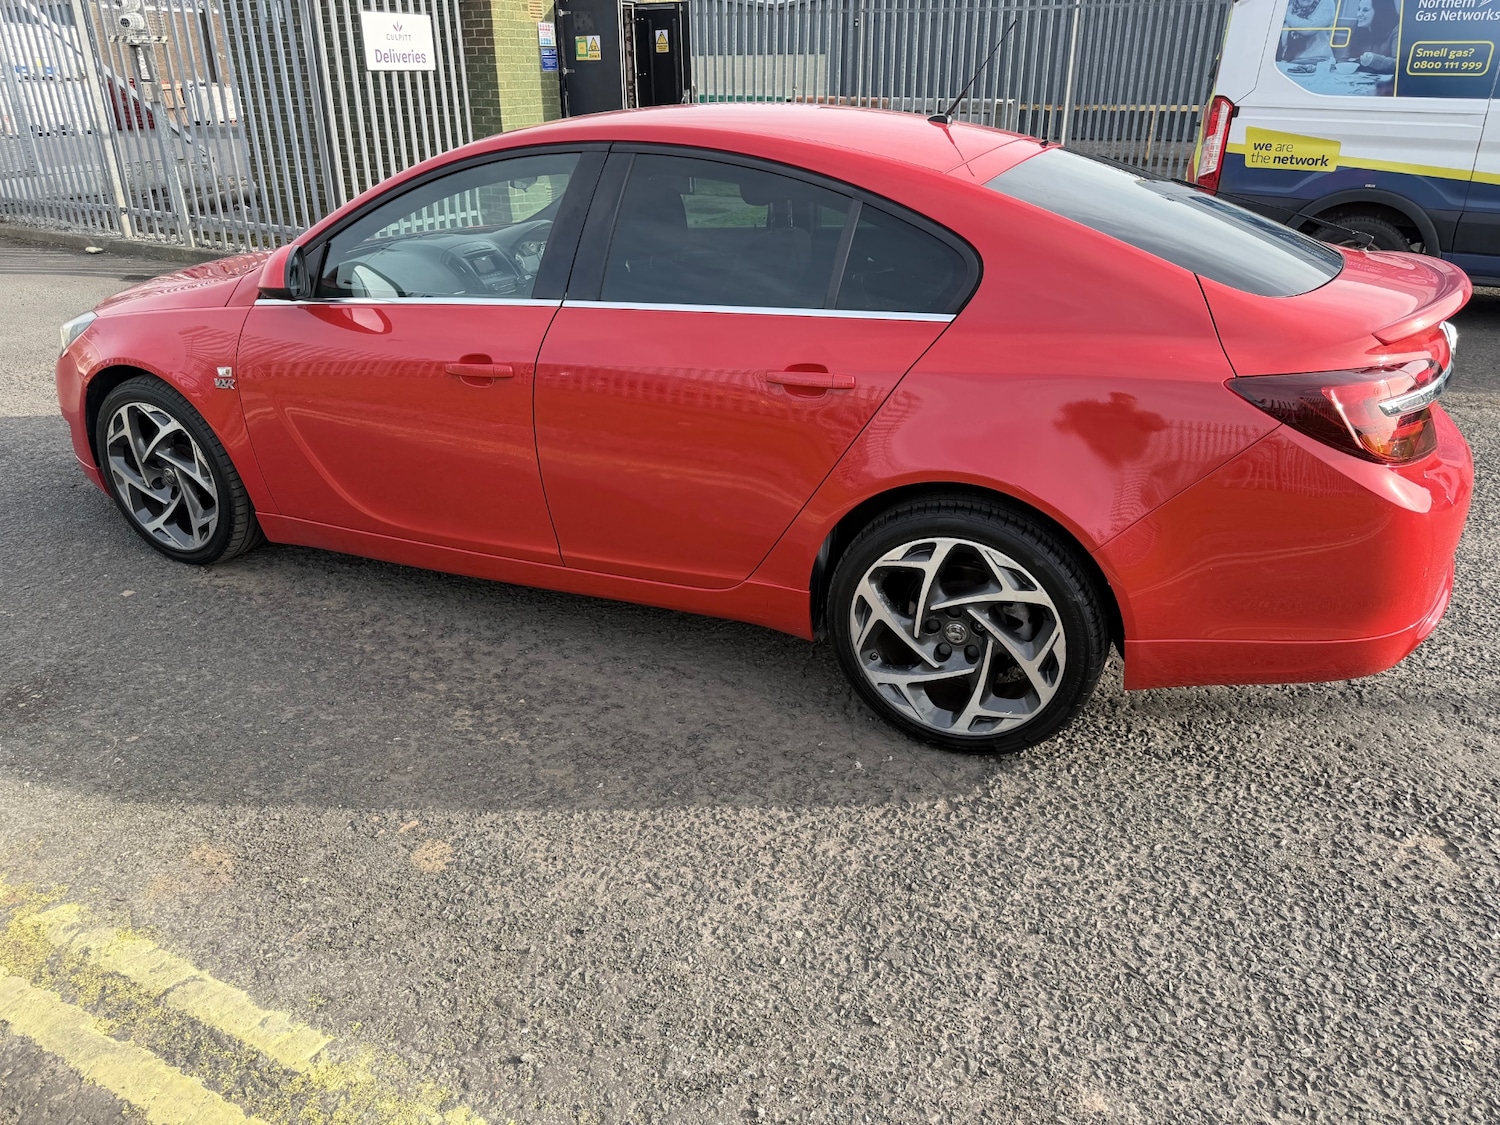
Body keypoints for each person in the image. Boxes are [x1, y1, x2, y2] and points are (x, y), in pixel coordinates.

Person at [1338, 0, 1399, 93]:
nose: (1359, 14)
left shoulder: (1396, 30)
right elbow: (1344, 60)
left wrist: (1374, 60)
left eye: (1365, 10)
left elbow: (1399, 65)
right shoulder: (1357, 28)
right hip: (1356, 85)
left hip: (1385, 89)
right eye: (1359, 9)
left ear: (1380, 12)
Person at [1277, 0, 1336, 67]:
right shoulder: (1292, 6)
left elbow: (1309, 29)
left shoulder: (1327, 3)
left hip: (1317, 60)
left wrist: (1284, 14)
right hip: (1289, 61)